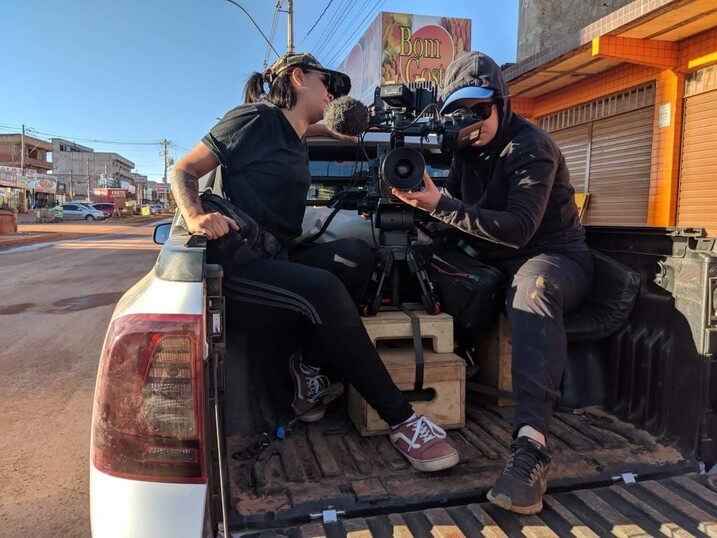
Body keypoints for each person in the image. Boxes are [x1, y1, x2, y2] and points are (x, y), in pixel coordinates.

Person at [170, 52, 458, 473]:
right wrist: (195, 216)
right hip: (240, 264)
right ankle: (402, 421)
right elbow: (184, 168)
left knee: (355, 255)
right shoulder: (256, 119)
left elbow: (329, 127)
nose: (334, 92)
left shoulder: (295, 132)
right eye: (329, 84)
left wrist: (370, 124)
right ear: (298, 77)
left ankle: (309, 368)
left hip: (278, 253)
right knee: (324, 289)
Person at [391, 51, 594, 513]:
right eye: (460, 112)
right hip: (492, 258)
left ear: (501, 103)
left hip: (553, 259)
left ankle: (532, 447)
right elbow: (458, 214)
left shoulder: (531, 147)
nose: (473, 120)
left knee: (532, 289)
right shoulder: (464, 151)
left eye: (481, 109)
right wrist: (409, 211)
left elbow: (519, 227)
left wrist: (439, 206)